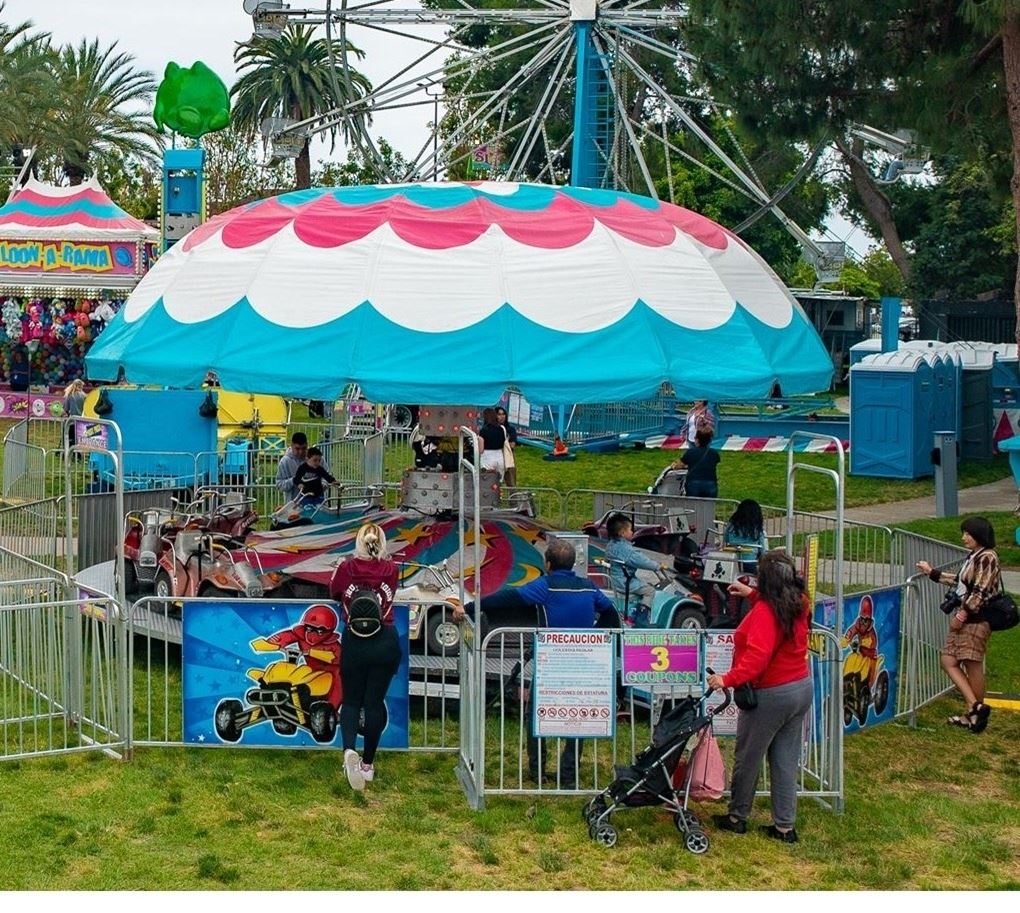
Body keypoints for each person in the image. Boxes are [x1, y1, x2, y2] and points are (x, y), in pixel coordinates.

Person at [453, 538, 618, 785]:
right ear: (573, 563)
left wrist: (470, 607)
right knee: (577, 717)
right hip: (585, 664)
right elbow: (610, 611)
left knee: (538, 714)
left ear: (548, 564)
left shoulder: (546, 585)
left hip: (551, 662)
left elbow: (508, 598)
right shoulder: (589, 587)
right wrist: (600, 637)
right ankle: (569, 775)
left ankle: (537, 770)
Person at [707, 551, 813, 843]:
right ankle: (784, 826)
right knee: (785, 760)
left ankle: (737, 816)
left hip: (771, 693)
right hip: (800, 687)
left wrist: (725, 679)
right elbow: (776, 610)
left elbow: (758, 657)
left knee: (748, 758)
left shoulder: (766, 612)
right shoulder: (799, 602)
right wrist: (751, 594)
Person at [328, 522, 401, 791]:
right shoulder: (391, 569)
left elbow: (334, 590)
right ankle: (368, 765)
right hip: (385, 639)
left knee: (351, 701)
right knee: (373, 703)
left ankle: (349, 750)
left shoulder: (347, 568)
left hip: (355, 640)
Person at [916, 517, 999, 733]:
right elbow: (962, 582)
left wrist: (961, 615)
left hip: (976, 619)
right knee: (948, 660)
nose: (964, 538)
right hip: (968, 618)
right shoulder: (975, 556)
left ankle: (974, 714)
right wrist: (932, 573)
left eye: (968, 534)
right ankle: (975, 707)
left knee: (972, 664)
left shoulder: (988, 557)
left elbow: (979, 591)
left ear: (979, 535)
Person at [251, 603, 342, 709]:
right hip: (311, 671)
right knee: (295, 672)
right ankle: (277, 690)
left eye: (320, 631)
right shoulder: (300, 634)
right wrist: (272, 645)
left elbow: (337, 657)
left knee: (339, 680)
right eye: (309, 628)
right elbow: (283, 637)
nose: (312, 634)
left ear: (329, 632)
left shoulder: (333, 644)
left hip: (331, 672)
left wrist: (312, 652)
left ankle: (332, 708)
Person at [605, 513, 670, 626]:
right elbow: (641, 561)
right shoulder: (627, 550)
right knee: (650, 590)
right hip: (625, 582)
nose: (632, 532)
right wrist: (657, 566)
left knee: (643, 583)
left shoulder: (611, 545)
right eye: (630, 529)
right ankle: (642, 617)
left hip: (616, 579)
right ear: (622, 533)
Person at [724, 499, 768, 571]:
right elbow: (762, 549)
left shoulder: (731, 525)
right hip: (750, 562)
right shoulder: (757, 529)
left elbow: (726, 539)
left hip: (732, 561)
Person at [678, 428, 720, 498]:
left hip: (693, 483)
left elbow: (679, 465)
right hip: (711, 483)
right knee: (709, 507)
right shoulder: (714, 453)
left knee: (693, 507)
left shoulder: (690, 452)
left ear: (697, 440)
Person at [276, 432, 309, 498]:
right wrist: (293, 481)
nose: (301, 452)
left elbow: (326, 477)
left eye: (304, 448)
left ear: (307, 445)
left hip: (315, 503)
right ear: (291, 446)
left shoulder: (315, 458)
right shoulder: (285, 461)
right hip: (294, 504)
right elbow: (279, 485)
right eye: (297, 448)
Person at [478, 407, 507, 480]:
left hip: (487, 457)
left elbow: (481, 450)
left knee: (487, 481)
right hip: (500, 456)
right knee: (498, 481)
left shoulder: (483, 430)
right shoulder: (502, 428)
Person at [496, 406, 518, 487]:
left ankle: (513, 498)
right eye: (499, 414)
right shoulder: (493, 428)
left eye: (503, 414)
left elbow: (512, 444)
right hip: (496, 456)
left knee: (511, 482)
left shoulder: (511, 429)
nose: (501, 417)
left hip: (508, 456)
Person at [63, 379, 86, 449]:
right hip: (82, 420)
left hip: (72, 420)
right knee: (79, 438)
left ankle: (68, 452)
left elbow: (66, 408)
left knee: (69, 438)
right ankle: (78, 454)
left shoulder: (70, 395)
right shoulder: (85, 396)